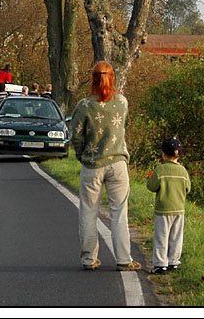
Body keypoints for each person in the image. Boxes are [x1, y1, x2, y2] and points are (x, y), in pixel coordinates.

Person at [69, 61, 140, 272]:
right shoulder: (122, 102)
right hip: (117, 163)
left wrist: (82, 155)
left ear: (93, 79)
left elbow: (76, 135)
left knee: (89, 211)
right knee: (120, 212)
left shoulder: (84, 106)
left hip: (92, 164)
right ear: (113, 78)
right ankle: (124, 259)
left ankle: (89, 259)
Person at [146, 137, 191, 275]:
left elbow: (152, 187)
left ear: (163, 154)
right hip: (179, 209)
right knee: (176, 237)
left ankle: (160, 264)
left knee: (161, 236)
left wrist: (149, 178)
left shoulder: (160, 170)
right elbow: (188, 188)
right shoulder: (183, 171)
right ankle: (174, 261)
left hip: (163, 210)